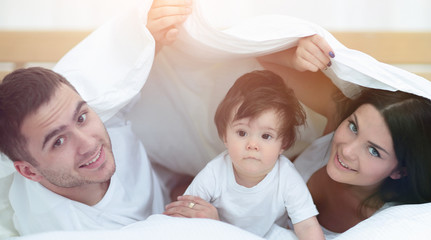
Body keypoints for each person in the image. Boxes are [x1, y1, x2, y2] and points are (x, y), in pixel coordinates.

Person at [257, 35, 431, 238]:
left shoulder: (391, 225)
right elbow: (248, 51)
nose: (346, 150)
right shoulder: (338, 114)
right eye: (354, 127)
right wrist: (295, 59)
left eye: (373, 150)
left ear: (400, 171)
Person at [164, 70, 325, 240]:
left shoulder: (287, 177)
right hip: (220, 233)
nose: (252, 145)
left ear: (282, 144)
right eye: (242, 133)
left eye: (266, 136)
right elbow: (186, 213)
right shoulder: (214, 173)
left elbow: (307, 225)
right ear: (225, 137)